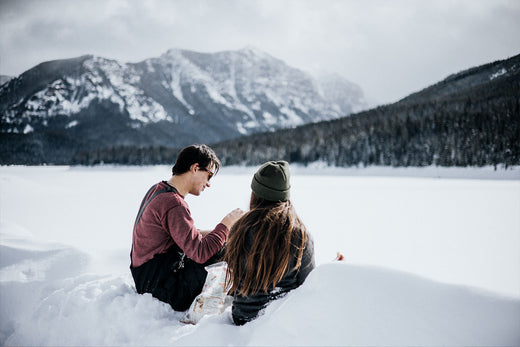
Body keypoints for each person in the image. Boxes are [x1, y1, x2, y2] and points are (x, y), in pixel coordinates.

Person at [130, 144, 244, 311]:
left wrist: (218, 233)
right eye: (209, 175)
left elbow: (184, 234)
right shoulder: (173, 203)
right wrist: (226, 224)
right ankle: (246, 298)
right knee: (223, 253)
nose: (209, 184)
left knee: (220, 244)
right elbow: (200, 252)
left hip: (148, 279)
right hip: (163, 287)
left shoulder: (158, 190)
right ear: (195, 168)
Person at [224, 160, 315, 325]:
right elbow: (307, 285)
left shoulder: (240, 228)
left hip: (241, 316)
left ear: (255, 195)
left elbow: (233, 277)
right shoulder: (299, 235)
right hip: (279, 322)